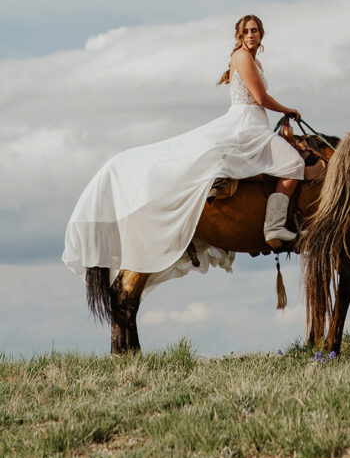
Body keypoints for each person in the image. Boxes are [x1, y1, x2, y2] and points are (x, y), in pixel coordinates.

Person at [63, 15, 306, 290]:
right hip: (247, 124)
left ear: (262, 34)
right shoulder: (242, 57)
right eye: (246, 31)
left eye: (255, 31)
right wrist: (288, 110)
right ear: (239, 36)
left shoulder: (253, 59)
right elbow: (260, 98)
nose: (251, 35)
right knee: (294, 164)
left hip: (254, 122)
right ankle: (274, 227)